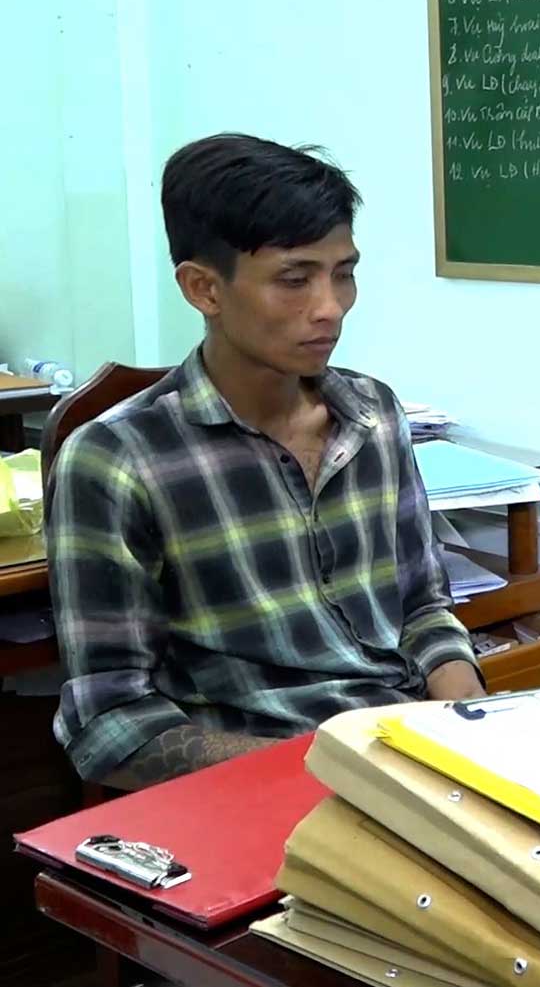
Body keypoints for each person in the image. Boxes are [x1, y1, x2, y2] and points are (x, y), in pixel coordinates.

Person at [49, 134, 484, 790]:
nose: (330, 307)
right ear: (204, 289)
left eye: (344, 272)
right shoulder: (118, 460)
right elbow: (110, 720)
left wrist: (463, 721)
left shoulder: (374, 414)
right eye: (295, 278)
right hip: (255, 779)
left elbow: (423, 605)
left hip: (406, 760)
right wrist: (328, 766)